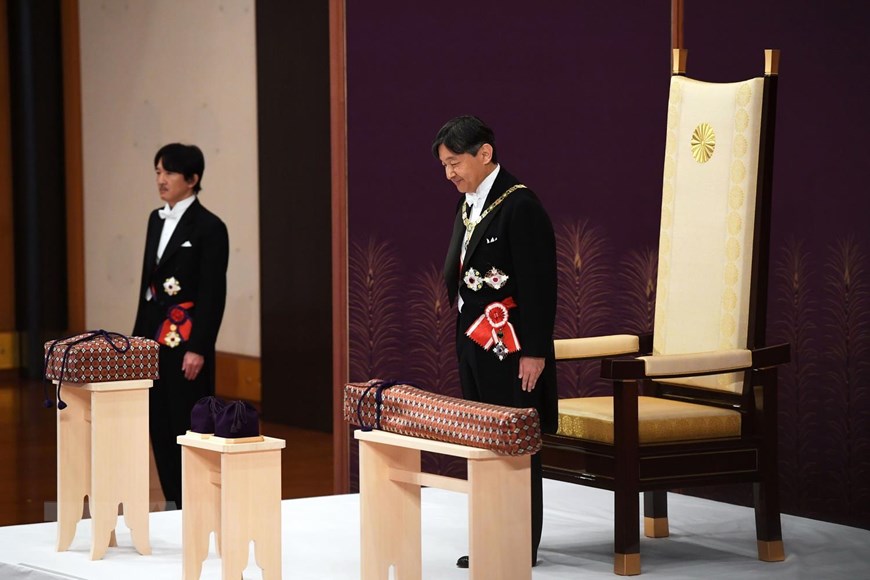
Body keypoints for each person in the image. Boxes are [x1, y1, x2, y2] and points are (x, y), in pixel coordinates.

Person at [434, 115, 558, 568]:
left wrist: (536, 351)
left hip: (513, 346)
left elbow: (539, 282)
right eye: (444, 165)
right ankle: (490, 534)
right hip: (473, 338)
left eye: (455, 162)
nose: (449, 173)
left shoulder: (519, 205)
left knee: (516, 444)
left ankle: (520, 543)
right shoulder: (469, 202)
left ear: (485, 153)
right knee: (483, 442)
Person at [132, 143, 229, 509]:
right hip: (151, 339)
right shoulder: (154, 220)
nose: (161, 180)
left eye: (169, 172)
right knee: (157, 422)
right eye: (157, 171)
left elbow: (212, 293)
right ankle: (173, 502)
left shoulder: (210, 227)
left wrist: (199, 348)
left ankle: (198, 503)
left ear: (192, 179)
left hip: (187, 343)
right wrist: (136, 341)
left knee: (187, 424)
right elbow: (148, 286)